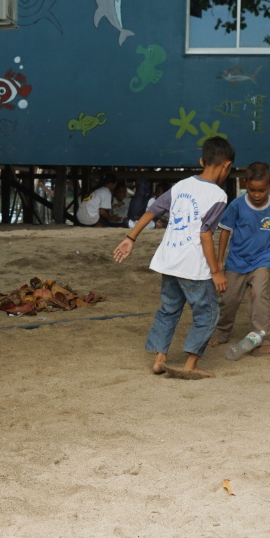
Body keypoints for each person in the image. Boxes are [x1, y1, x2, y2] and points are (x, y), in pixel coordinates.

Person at [112, 137, 235, 380]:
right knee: (208, 314)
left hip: (169, 261)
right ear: (227, 166)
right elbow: (205, 234)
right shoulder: (219, 196)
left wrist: (131, 238)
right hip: (192, 267)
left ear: (202, 161)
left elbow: (153, 210)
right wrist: (216, 270)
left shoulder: (181, 185)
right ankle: (190, 363)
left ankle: (160, 359)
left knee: (169, 309)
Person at [208, 162, 270, 355]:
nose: (257, 195)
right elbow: (225, 232)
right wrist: (220, 260)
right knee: (229, 299)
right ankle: (222, 332)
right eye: (252, 190)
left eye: (261, 190)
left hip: (261, 260)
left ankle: (263, 337)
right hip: (236, 261)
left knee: (259, 296)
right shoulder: (236, 205)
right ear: (245, 185)